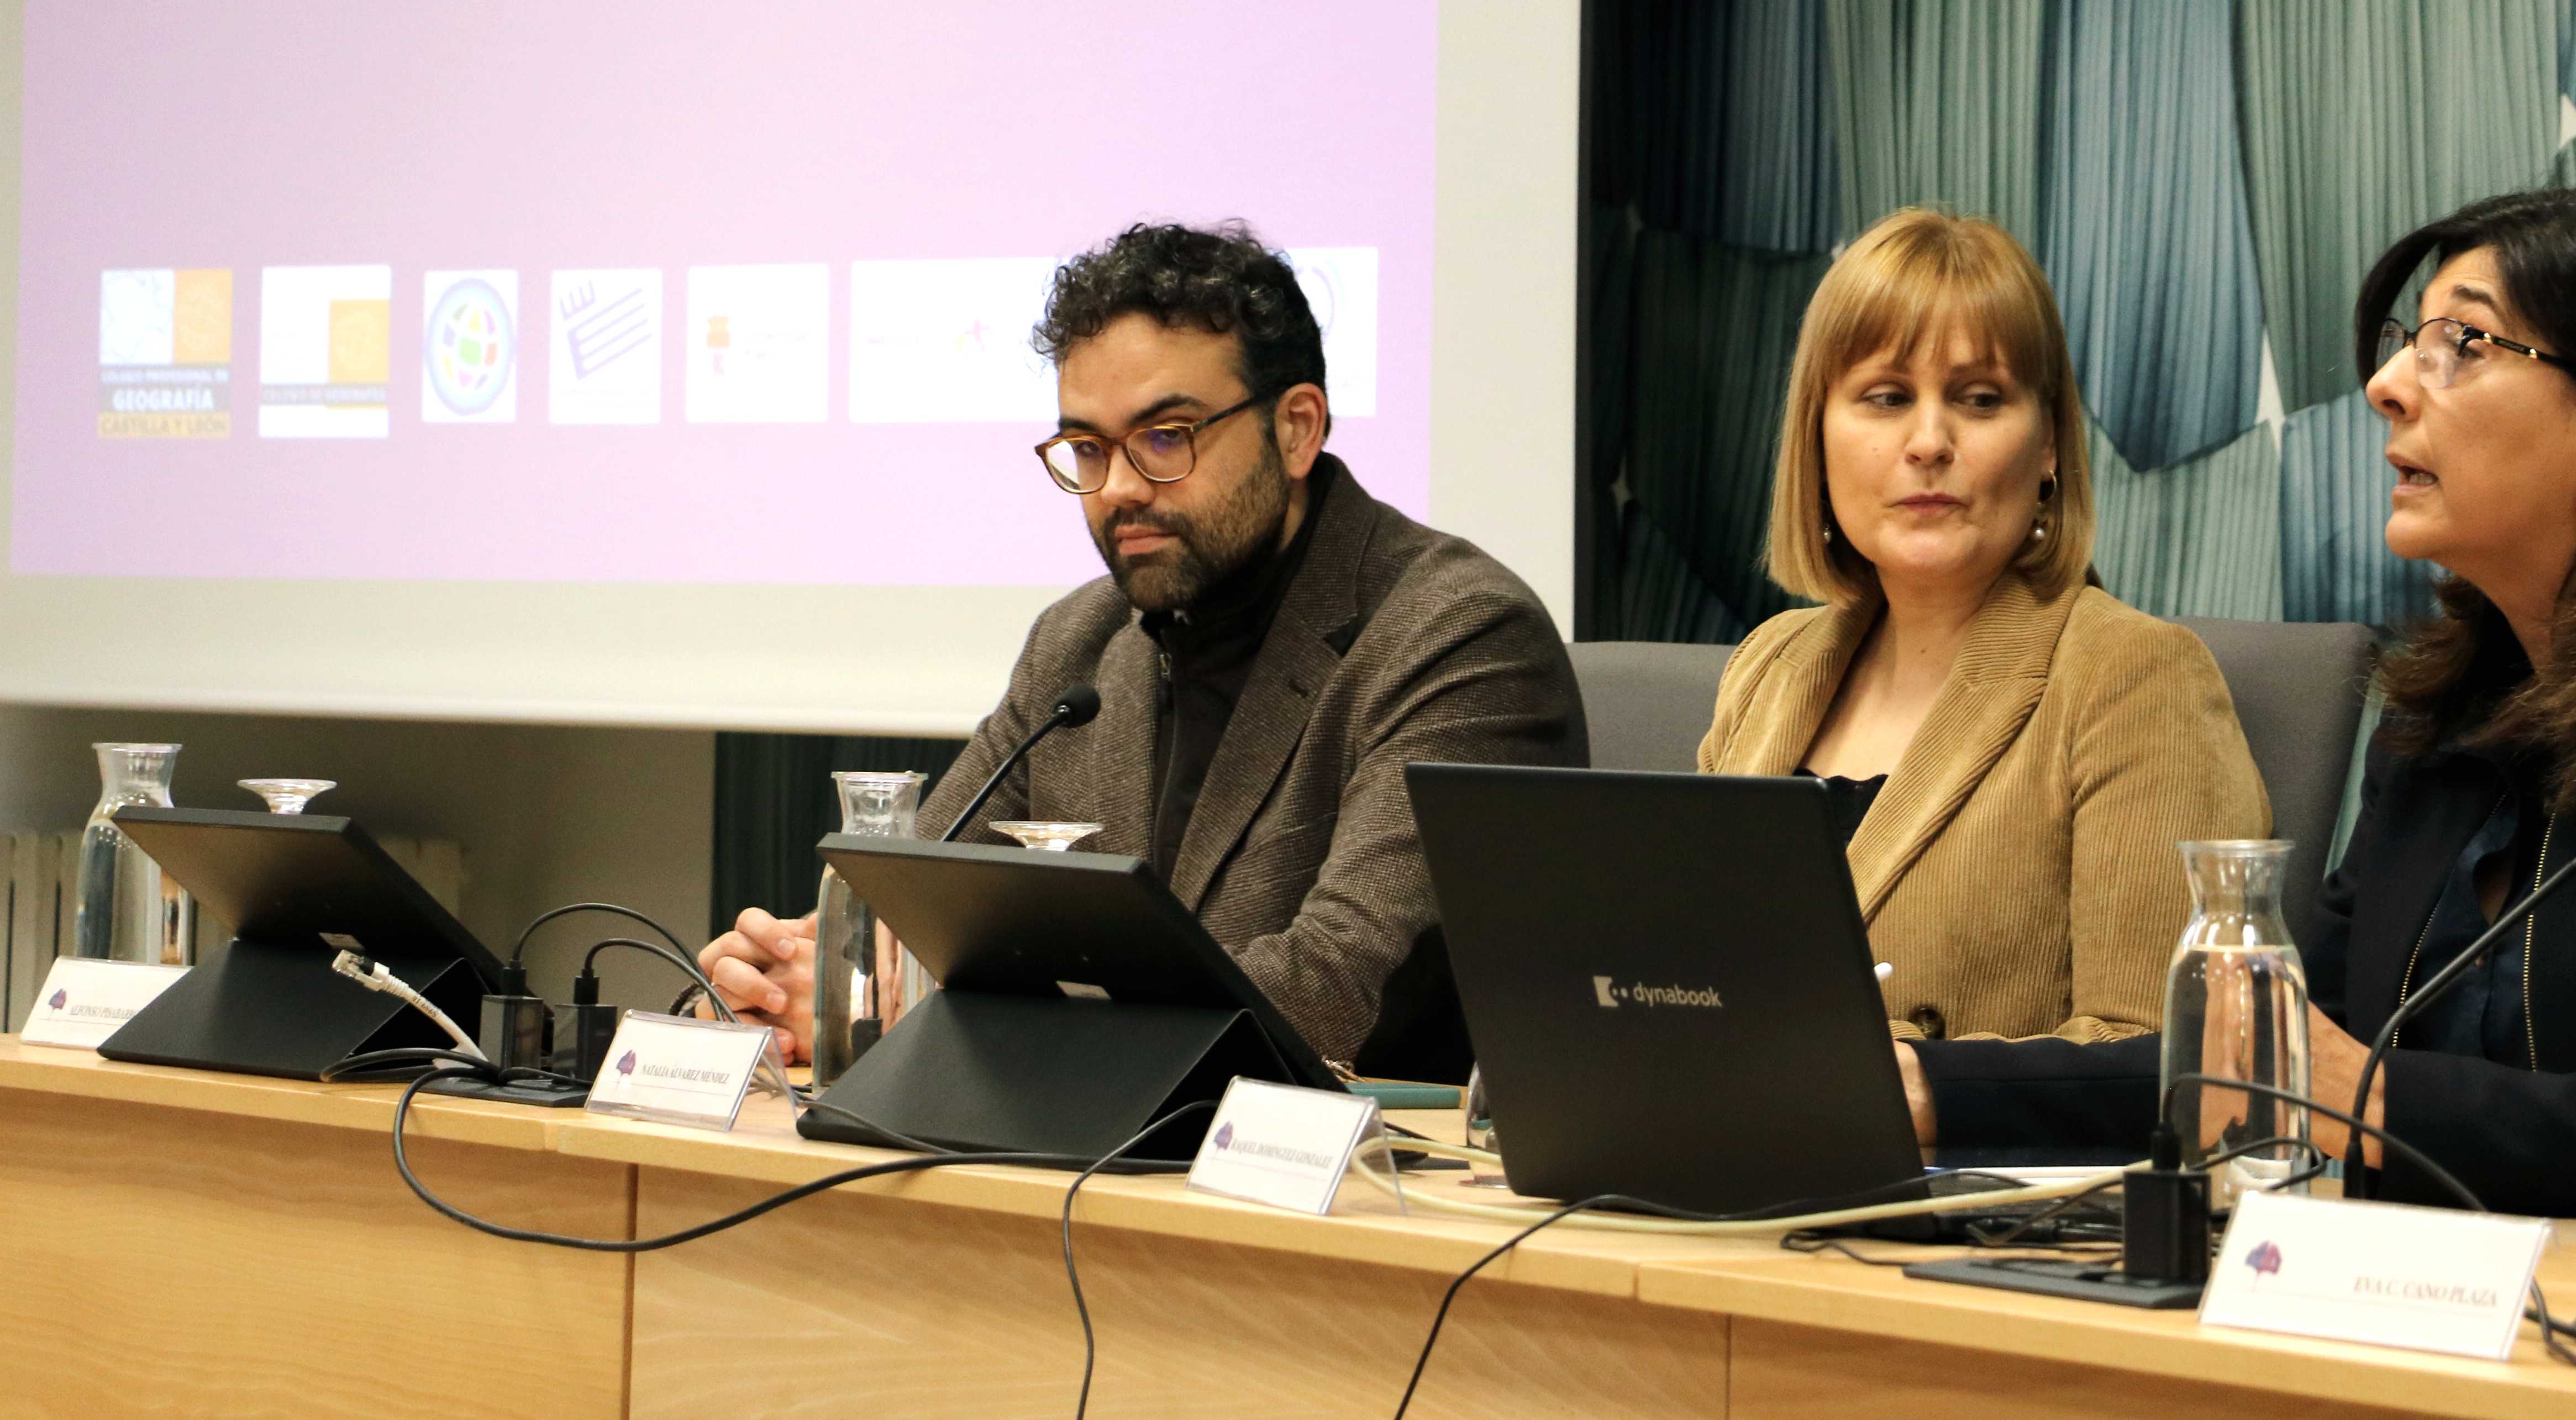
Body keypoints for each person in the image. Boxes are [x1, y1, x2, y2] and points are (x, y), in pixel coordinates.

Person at [1899, 183, 2576, 1217]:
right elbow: (2257, 1055)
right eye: (2408, 348)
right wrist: (1929, 1089)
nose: (2387, 387)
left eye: (2461, 346)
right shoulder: (2450, 718)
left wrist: (2371, 1099)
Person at [700, 222, 1583, 1077]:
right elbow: (910, 922)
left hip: (1361, 1198)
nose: (1118, 487)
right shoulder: (1079, 645)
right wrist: (792, 986)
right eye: (1087, 447)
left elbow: (1331, 990)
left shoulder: (1459, 636)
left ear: (1298, 429)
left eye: (1166, 437)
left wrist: (946, 1018)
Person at [1695, 208, 2270, 1046]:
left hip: (1979, 1175)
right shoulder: (1769, 667)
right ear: (1817, 442)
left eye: (1980, 399)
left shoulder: (2136, 675)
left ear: (2047, 448)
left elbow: (2167, 1050)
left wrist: (1933, 1088)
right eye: (1886, 398)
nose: (1929, 442)